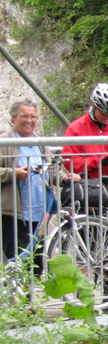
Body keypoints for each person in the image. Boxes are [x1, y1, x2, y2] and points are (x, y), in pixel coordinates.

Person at [0, 99, 66, 272]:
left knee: (36, 266)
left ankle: (29, 299)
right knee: (16, 265)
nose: (29, 120)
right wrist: (13, 174)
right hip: (15, 215)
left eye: (33, 117)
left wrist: (65, 178)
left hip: (40, 216)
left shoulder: (40, 143)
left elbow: (51, 170)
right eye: (25, 116)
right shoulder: (4, 142)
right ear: (14, 117)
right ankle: (15, 299)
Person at [62, 83, 108, 219]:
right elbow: (70, 163)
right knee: (89, 237)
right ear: (93, 106)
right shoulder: (76, 128)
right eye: (104, 113)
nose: (107, 117)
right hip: (88, 191)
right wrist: (100, 160)